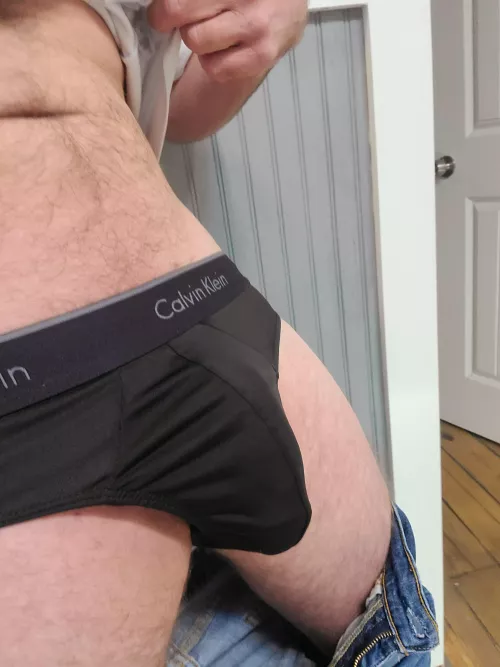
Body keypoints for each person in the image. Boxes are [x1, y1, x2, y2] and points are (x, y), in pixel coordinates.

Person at [0, 1, 438, 666]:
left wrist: (260, 34)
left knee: (390, 623)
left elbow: (183, 108)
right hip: (28, 415)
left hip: (197, 302)